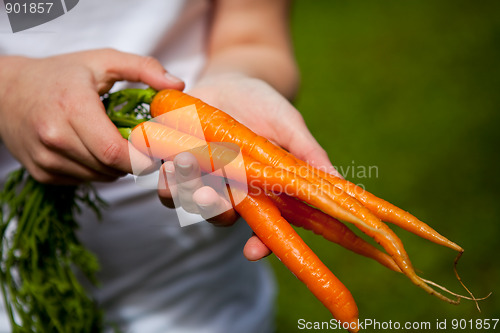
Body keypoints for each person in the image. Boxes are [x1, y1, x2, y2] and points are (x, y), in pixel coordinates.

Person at [0, 0, 337, 331]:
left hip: (204, 297)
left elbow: (253, 36)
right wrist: (10, 89)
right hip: (21, 282)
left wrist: (237, 77)